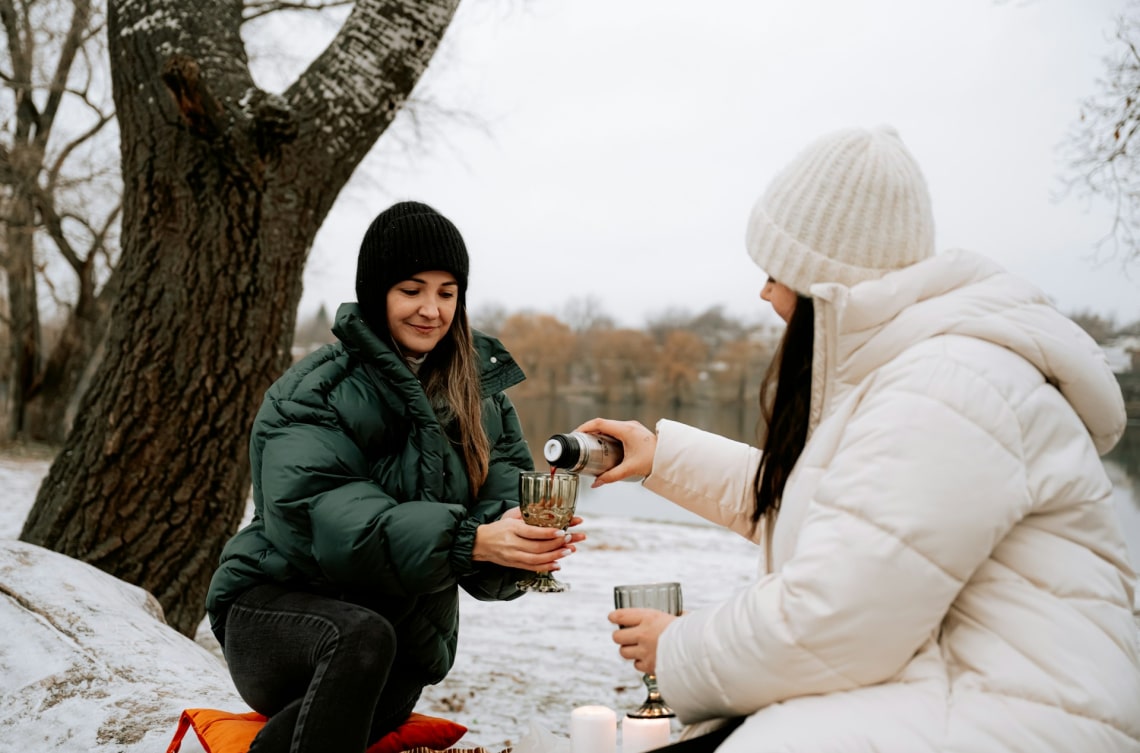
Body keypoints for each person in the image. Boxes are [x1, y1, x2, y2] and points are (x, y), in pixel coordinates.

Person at [580, 126, 1140, 752]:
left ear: (826, 284)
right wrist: (666, 457)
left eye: (775, 272)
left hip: (1019, 719)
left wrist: (676, 647)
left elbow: (836, 622)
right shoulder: (926, 374)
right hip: (961, 692)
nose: (763, 291)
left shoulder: (950, 385)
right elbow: (842, 514)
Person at [205, 201, 584, 753]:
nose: (431, 309)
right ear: (377, 292)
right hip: (279, 619)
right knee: (361, 636)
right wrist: (468, 540)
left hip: (400, 643)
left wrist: (519, 543)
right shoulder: (314, 392)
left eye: (447, 292)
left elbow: (495, 523)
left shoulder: (483, 399)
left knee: (384, 664)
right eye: (412, 289)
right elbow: (326, 522)